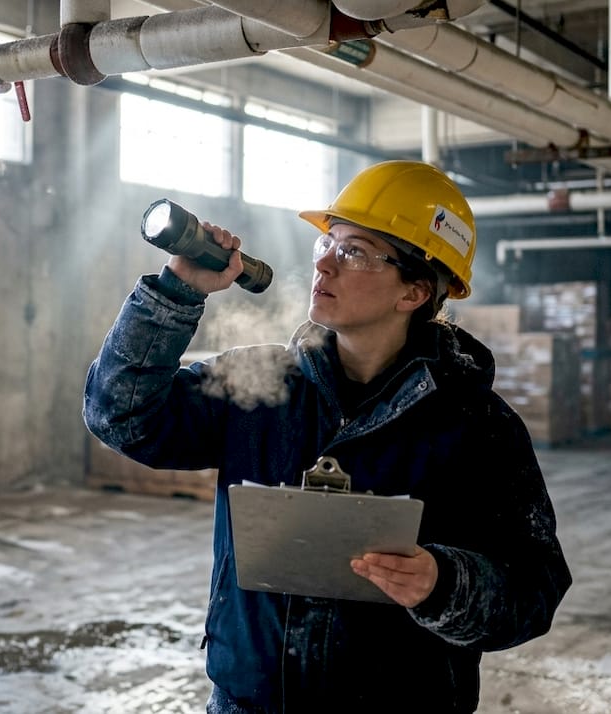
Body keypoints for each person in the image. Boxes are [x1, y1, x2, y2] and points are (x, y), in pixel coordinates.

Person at [83, 160, 572, 713]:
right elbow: (120, 418)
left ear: (413, 293)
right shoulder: (260, 387)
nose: (325, 265)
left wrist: (444, 583)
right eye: (328, 242)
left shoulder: (477, 426)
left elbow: (534, 588)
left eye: (355, 251)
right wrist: (176, 294)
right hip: (249, 702)